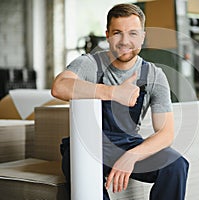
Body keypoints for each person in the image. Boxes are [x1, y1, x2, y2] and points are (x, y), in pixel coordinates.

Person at [51, 3, 189, 200]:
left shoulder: (153, 75)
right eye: (117, 33)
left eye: (133, 33)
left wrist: (131, 156)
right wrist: (113, 92)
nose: (125, 41)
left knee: (176, 165)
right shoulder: (90, 64)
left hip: (127, 144)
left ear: (143, 36)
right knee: (84, 176)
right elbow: (59, 86)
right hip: (86, 145)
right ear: (107, 35)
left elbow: (166, 133)